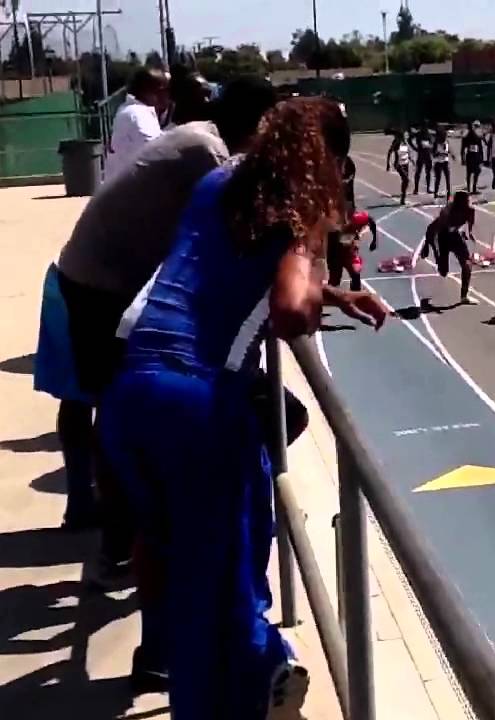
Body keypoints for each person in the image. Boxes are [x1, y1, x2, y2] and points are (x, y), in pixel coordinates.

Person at [99, 97, 386, 720]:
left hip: (129, 394)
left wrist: (334, 293)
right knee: (226, 591)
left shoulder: (218, 183)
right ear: (328, 159)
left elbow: (224, 273)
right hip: (197, 404)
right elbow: (289, 312)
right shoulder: (296, 209)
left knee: (177, 572)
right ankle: (260, 674)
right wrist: (312, 251)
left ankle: (236, 678)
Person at [38, 77, 279, 689]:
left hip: (98, 278)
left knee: (115, 417)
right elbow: (233, 239)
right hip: (103, 285)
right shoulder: (210, 155)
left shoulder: (196, 139)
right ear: (257, 122)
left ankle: (122, 541)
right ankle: (123, 542)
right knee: (138, 434)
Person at [105, 68, 169, 180]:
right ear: (149, 91)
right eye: (164, 90)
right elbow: (156, 154)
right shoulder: (138, 115)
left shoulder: (134, 111)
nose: (168, 95)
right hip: (130, 189)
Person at [423, 191, 477, 304]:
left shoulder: (470, 210)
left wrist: (470, 232)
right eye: (467, 201)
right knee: (443, 271)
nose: (470, 202)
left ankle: (464, 296)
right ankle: (439, 260)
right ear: (459, 203)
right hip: (443, 237)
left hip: (456, 237)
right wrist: (427, 246)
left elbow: (470, 221)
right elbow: (432, 228)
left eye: (469, 200)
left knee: (467, 265)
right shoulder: (447, 212)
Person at [328, 210, 378, 291]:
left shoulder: (356, 218)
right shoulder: (333, 227)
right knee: (334, 281)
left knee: (356, 274)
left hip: (350, 252)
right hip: (336, 253)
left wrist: (374, 240)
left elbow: (371, 220)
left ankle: (356, 291)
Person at [385, 129, 411, 205]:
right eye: (405, 135)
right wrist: (388, 164)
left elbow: (408, 151)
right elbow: (389, 152)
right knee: (406, 180)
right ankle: (403, 198)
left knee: (405, 181)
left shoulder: (405, 142)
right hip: (399, 164)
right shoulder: (396, 142)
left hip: (406, 163)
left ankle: (403, 197)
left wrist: (411, 159)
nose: (406, 136)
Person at [461, 121, 486, 194]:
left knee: (470, 173)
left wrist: (463, 159)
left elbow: (462, 150)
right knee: (474, 172)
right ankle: (472, 188)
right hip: (474, 156)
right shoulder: (474, 137)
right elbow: (480, 148)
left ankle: (470, 188)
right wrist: (481, 158)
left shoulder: (467, 138)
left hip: (471, 156)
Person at [430, 127, 454, 199]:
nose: (444, 137)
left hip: (445, 162)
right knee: (438, 179)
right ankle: (435, 194)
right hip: (438, 162)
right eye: (443, 136)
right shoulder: (436, 143)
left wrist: (452, 155)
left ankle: (449, 194)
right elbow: (433, 153)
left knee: (447, 178)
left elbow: (448, 150)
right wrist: (439, 154)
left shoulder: (446, 142)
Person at [410, 122, 433, 196]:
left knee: (427, 172)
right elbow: (409, 139)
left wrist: (431, 148)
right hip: (421, 155)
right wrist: (415, 148)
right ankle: (416, 189)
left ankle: (427, 188)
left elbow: (431, 143)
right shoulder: (419, 134)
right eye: (424, 126)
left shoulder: (428, 134)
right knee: (418, 172)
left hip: (427, 155)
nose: (425, 128)